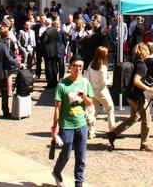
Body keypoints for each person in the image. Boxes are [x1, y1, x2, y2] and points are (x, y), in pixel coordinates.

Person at [51, 55, 94, 187]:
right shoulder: (62, 84)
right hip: (66, 124)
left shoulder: (85, 83)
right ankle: (57, 171)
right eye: (75, 66)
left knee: (81, 156)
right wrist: (55, 127)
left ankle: (78, 182)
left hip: (81, 124)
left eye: (80, 66)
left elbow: (90, 102)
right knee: (66, 153)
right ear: (70, 66)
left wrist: (84, 96)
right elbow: (57, 107)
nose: (78, 69)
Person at [108, 43, 153, 152]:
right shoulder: (142, 65)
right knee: (147, 119)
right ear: (145, 52)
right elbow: (136, 81)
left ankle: (113, 133)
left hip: (130, 95)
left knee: (134, 117)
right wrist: (150, 89)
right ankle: (144, 144)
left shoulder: (134, 61)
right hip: (138, 97)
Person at [86, 46, 115, 138]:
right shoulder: (103, 67)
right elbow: (103, 82)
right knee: (110, 108)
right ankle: (112, 130)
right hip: (102, 91)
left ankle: (91, 131)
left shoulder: (91, 64)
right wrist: (110, 79)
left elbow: (87, 78)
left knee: (93, 111)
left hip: (92, 90)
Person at [42, 17, 61, 88]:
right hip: (55, 51)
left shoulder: (47, 31)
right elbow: (58, 39)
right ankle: (55, 81)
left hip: (48, 52)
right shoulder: (55, 30)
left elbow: (44, 41)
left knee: (49, 68)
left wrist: (41, 37)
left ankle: (50, 83)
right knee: (54, 67)